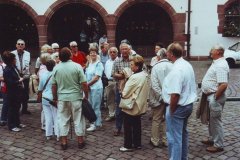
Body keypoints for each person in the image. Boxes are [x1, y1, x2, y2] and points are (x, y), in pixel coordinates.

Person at [162, 42, 197, 160]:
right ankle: (182, 157)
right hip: (187, 105)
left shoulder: (176, 70)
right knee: (182, 134)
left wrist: (171, 111)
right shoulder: (186, 64)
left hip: (178, 107)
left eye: (167, 51)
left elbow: (175, 94)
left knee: (173, 137)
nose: (166, 53)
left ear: (171, 54)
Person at [52, 47, 88, 150]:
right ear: (70, 55)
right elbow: (84, 83)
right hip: (76, 97)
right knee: (78, 119)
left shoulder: (56, 68)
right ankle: (80, 141)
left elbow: (54, 86)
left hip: (62, 98)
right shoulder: (77, 66)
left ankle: (64, 142)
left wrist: (55, 98)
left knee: (63, 119)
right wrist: (86, 95)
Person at [200, 44, 229, 153]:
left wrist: (215, 97)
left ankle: (218, 145)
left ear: (218, 52)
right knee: (212, 120)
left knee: (216, 121)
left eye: (212, 50)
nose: (210, 52)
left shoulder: (220, 64)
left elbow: (223, 84)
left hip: (215, 97)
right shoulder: (217, 62)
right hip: (211, 96)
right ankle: (213, 139)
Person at [119, 55, 149, 152]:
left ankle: (128, 145)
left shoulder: (134, 77)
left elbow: (124, 94)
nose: (130, 66)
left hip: (131, 105)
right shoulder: (144, 74)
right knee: (137, 125)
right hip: (139, 104)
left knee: (127, 126)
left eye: (132, 65)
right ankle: (137, 144)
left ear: (137, 66)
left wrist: (122, 84)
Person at [149, 48, 173, 148]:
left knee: (156, 119)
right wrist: (169, 97)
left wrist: (161, 97)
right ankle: (166, 140)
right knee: (168, 119)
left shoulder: (155, 67)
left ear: (158, 57)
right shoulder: (173, 66)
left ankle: (155, 140)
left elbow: (154, 85)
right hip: (171, 98)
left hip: (158, 99)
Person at [111, 42, 132, 136]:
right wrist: (122, 75)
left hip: (132, 89)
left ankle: (130, 127)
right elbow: (113, 74)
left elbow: (142, 72)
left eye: (126, 49)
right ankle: (118, 127)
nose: (124, 51)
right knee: (119, 109)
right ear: (120, 51)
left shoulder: (133, 60)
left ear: (129, 50)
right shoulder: (117, 61)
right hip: (120, 89)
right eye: (122, 49)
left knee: (131, 109)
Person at [2, 51, 26, 132]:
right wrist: (19, 81)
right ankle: (11, 125)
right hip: (12, 92)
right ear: (11, 60)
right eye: (14, 59)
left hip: (17, 91)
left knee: (17, 107)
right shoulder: (7, 70)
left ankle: (17, 123)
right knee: (12, 109)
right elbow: (10, 83)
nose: (16, 59)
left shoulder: (13, 67)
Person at [38, 59, 59, 141]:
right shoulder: (56, 74)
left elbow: (40, 88)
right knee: (56, 116)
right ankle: (58, 134)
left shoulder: (43, 75)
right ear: (54, 66)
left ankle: (48, 134)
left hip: (45, 97)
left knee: (48, 117)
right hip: (54, 98)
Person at [85, 46, 104, 132]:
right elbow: (86, 75)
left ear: (97, 54)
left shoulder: (99, 64)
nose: (93, 54)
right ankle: (98, 123)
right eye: (91, 53)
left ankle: (94, 124)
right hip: (89, 88)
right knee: (91, 105)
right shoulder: (89, 64)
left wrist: (87, 85)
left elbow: (96, 77)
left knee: (95, 106)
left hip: (96, 88)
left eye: (94, 52)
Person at [11, 39, 31, 114]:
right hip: (16, 76)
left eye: (22, 44)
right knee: (17, 93)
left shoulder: (28, 53)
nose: (20, 45)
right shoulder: (12, 53)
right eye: (18, 44)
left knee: (25, 94)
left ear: (24, 46)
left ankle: (24, 109)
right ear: (16, 45)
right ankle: (17, 109)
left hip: (25, 76)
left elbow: (28, 64)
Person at [104, 47, 118, 122]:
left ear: (117, 53)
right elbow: (106, 71)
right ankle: (111, 114)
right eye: (111, 52)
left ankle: (119, 115)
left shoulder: (119, 60)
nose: (112, 53)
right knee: (110, 99)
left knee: (119, 99)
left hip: (117, 82)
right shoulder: (107, 62)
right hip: (109, 81)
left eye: (114, 52)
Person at [0, 56, 8, 126]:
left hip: (4, 86)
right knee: (6, 102)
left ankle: (4, 118)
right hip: (4, 86)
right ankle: (3, 118)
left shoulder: (3, 66)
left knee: (6, 102)